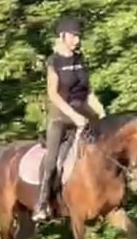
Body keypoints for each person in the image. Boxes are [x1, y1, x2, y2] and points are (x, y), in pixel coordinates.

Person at [32, 16, 107, 222]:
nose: (77, 40)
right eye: (74, 36)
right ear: (63, 36)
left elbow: (87, 91)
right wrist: (74, 116)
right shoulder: (54, 62)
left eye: (78, 36)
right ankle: (42, 203)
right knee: (54, 161)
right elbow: (53, 94)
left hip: (83, 115)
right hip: (61, 118)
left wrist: (101, 112)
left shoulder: (80, 59)